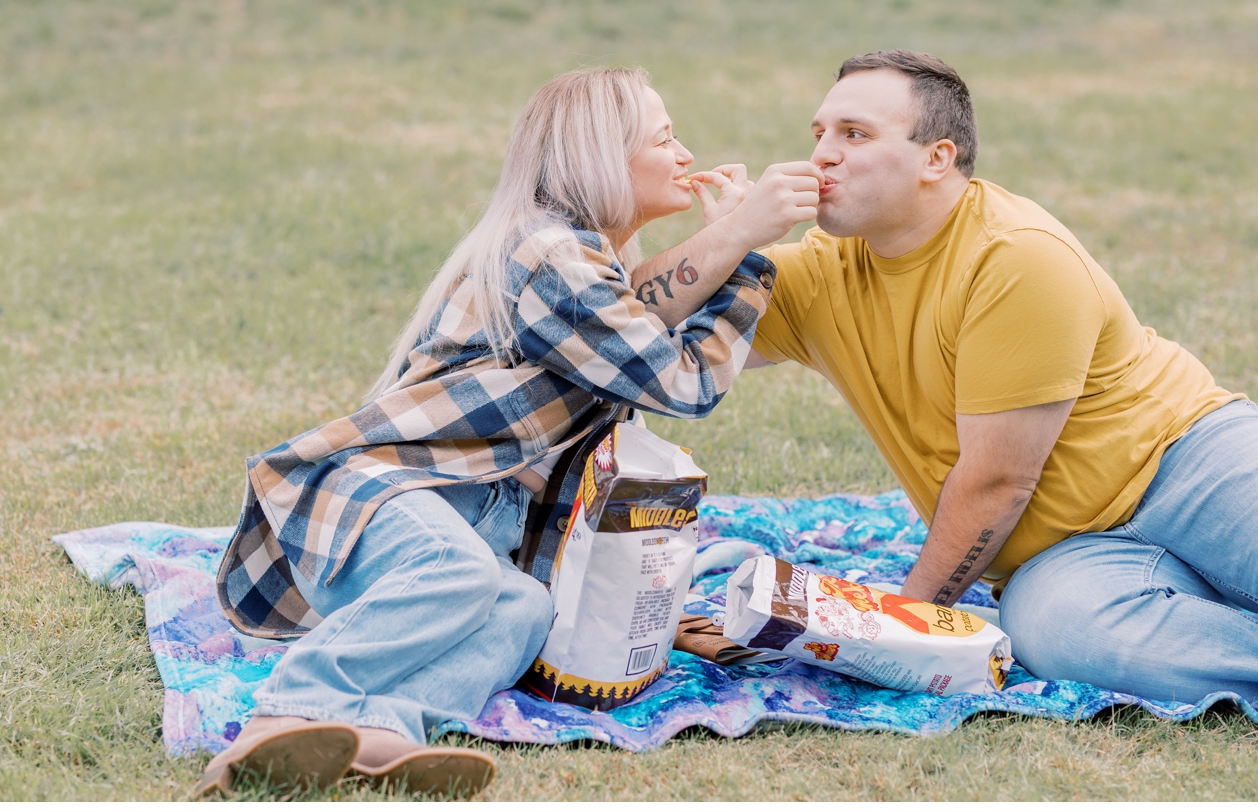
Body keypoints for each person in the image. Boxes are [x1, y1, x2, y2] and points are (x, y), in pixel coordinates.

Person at [638, 49, 1258, 703]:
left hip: (1187, 464)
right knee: (1062, 637)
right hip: (1062, 556)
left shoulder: (1015, 257)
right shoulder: (825, 272)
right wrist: (731, 235)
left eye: (855, 134)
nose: (822, 154)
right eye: (820, 133)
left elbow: (997, 483)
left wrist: (894, 629)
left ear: (936, 158)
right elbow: (625, 331)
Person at [197, 67, 820, 798]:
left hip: (468, 513)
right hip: (381, 493)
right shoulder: (546, 253)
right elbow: (682, 379)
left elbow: (641, 313)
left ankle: (384, 729)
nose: (685, 153)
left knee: (524, 608)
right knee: (457, 570)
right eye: (664, 137)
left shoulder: (589, 263)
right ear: (600, 154)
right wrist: (747, 247)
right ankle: (284, 715)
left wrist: (724, 240)